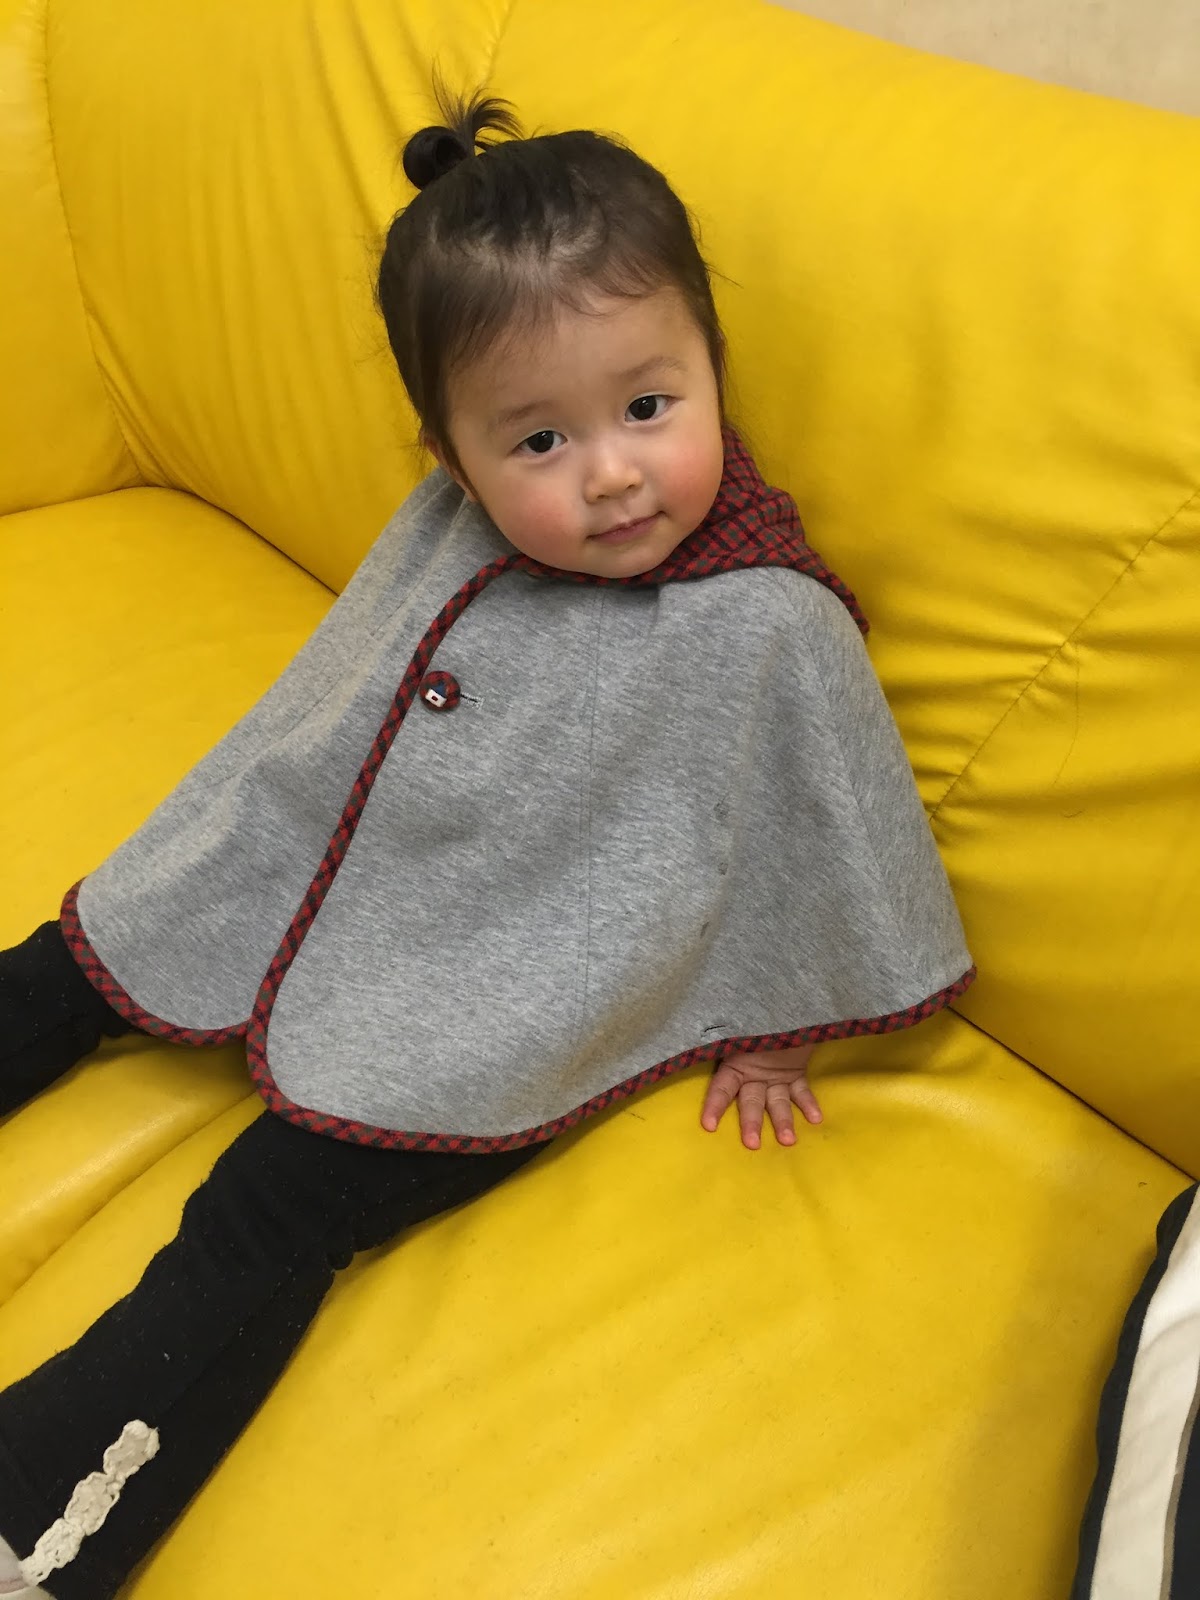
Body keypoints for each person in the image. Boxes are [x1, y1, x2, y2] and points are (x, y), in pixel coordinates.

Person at [0, 82, 973, 1599]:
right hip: (302, 871)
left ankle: (34, 1509)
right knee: (66, 964)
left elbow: (822, 824)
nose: (610, 474)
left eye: (648, 408)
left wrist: (781, 1016)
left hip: (487, 988)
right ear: (452, 459)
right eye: (538, 439)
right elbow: (324, 715)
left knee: (264, 1213)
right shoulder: (453, 531)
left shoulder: (770, 626)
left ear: (711, 367)